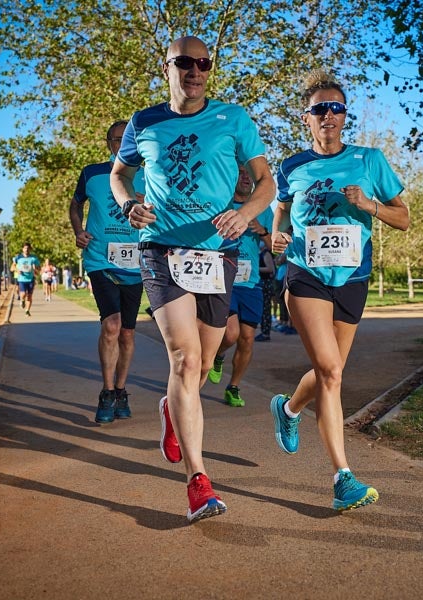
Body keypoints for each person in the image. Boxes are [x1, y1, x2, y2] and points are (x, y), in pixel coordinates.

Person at [110, 35, 275, 522]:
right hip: (161, 248)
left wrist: (245, 215)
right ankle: (199, 483)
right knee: (184, 359)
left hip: (217, 253)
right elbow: (120, 175)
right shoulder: (144, 122)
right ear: (168, 67)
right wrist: (127, 204)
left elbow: (266, 183)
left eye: (203, 63)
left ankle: (170, 410)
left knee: (204, 361)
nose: (195, 71)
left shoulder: (234, 119)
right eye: (185, 62)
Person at [269, 69, 410, 512]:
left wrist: (369, 205)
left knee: (330, 371)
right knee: (331, 372)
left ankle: (288, 409)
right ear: (306, 118)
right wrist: (275, 237)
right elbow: (280, 213)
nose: (328, 115)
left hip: (352, 278)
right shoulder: (291, 166)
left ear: (344, 116)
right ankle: (342, 478)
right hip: (304, 273)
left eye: (336, 108)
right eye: (319, 109)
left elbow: (404, 218)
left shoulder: (370, 160)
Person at [70, 120, 146, 424]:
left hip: (136, 263)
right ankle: (106, 391)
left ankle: (121, 390)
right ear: (108, 143)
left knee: (127, 333)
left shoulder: (150, 174)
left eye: (128, 140)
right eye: (117, 140)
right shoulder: (92, 173)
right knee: (112, 326)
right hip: (101, 258)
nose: (122, 145)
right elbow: (75, 205)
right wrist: (79, 231)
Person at [207, 164, 273, 406]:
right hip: (224, 279)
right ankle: (218, 354)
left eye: (249, 174)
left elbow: (274, 244)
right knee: (232, 333)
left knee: (247, 338)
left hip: (251, 282)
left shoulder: (262, 208)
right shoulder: (221, 205)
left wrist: (262, 230)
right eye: (240, 173)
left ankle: (233, 386)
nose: (246, 178)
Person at [255, 239, 276, 342]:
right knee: (263, 308)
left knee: (266, 308)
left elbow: (270, 268)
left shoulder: (266, 253)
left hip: (266, 283)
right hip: (262, 283)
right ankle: (264, 331)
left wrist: (256, 268)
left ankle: (265, 333)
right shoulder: (261, 253)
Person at [12, 242, 41, 316]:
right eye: (25, 248)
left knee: (30, 296)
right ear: (22, 249)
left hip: (31, 279)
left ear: (30, 249)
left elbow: (39, 268)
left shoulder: (33, 258)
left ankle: (27, 310)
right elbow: (12, 268)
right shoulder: (18, 257)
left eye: (28, 248)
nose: (26, 250)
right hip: (22, 279)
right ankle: (22, 300)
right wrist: (17, 270)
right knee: (23, 294)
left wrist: (36, 270)